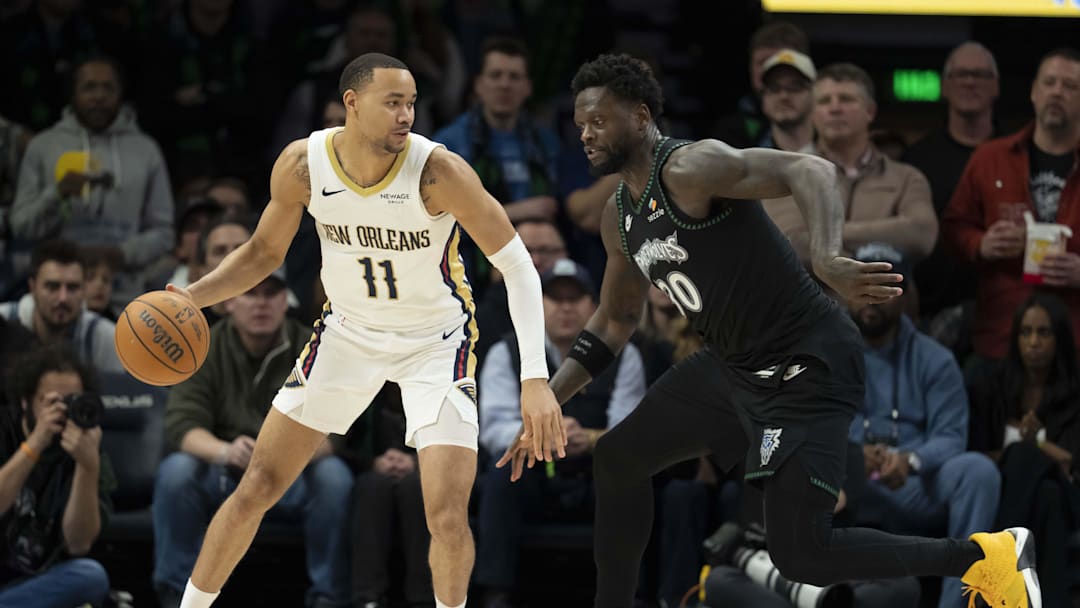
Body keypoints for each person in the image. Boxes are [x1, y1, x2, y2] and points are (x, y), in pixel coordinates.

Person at [498, 53, 1040, 608]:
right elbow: (613, 320)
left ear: (639, 116)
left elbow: (811, 170)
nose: (585, 134)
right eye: (580, 123)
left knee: (802, 555)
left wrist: (827, 257)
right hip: (733, 366)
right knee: (618, 458)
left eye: (599, 121)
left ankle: (987, 558)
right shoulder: (620, 215)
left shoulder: (690, 166)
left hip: (806, 360)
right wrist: (543, 396)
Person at [165, 52, 562, 608]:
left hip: (436, 342)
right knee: (257, 485)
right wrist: (189, 298)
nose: (407, 115)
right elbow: (261, 253)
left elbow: (518, 265)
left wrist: (535, 378)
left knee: (446, 514)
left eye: (412, 103)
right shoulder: (304, 165)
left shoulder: (438, 172)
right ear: (352, 103)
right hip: (347, 334)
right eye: (393, 102)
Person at [153, 268, 353, 608]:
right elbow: (181, 425)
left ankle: (328, 596)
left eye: (270, 294)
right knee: (176, 471)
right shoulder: (202, 345)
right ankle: (176, 593)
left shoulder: (315, 346)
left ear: (285, 300)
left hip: (292, 472)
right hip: (225, 468)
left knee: (335, 477)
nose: (261, 304)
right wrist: (224, 450)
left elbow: (338, 431)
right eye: (250, 293)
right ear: (230, 302)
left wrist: (276, 455)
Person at [475, 258, 645, 607]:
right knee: (500, 472)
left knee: (632, 477)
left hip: (594, 474)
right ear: (537, 305)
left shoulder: (624, 356)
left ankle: (632, 594)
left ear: (593, 306)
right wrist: (543, 435)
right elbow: (493, 428)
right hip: (534, 473)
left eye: (575, 298)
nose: (566, 308)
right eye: (556, 298)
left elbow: (631, 428)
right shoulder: (505, 352)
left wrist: (593, 438)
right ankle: (494, 593)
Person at [846, 243, 1001, 608]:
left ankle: (954, 602)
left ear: (904, 295)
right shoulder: (825, 356)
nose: (872, 299)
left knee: (978, 472)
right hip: (847, 478)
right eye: (862, 288)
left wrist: (911, 460)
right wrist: (852, 454)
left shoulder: (935, 360)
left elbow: (950, 436)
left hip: (914, 482)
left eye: (883, 288)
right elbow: (809, 424)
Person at [942, 47, 1080, 360]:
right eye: (1049, 82)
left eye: (1070, 86)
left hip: (1075, 340)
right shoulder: (990, 158)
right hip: (1003, 335)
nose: (1057, 92)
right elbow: (953, 228)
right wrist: (982, 243)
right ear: (1033, 91)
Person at [10, 56, 176, 308]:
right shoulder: (44, 146)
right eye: (89, 87)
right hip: (57, 298)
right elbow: (20, 225)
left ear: (121, 93)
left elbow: (164, 233)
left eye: (108, 87)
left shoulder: (146, 149)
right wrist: (56, 194)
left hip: (126, 298)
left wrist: (120, 255)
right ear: (73, 93)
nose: (98, 96)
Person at [967, 293, 1080, 608]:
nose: (1033, 342)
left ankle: (997, 578)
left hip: (1070, 492)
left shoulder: (1074, 391)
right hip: (1009, 488)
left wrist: (1037, 445)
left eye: (1043, 333)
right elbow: (975, 454)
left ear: (1059, 339)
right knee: (1046, 497)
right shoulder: (993, 386)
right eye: (1026, 332)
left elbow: (1071, 462)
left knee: (1027, 458)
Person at [0, 346, 116, 608]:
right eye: (51, 402)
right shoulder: (5, 430)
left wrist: (87, 467)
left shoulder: (85, 446)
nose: (62, 411)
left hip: (38, 582)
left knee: (90, 576)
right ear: (25, 402)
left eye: (71, 401)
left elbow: (79, 543)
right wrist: (34, 445)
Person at [0, 239, 123, 374]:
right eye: (52, 287)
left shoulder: (105, 338)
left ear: (83, 290)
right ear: (32, 288)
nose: (63, 298)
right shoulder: (3, 319)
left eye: (72, 288)